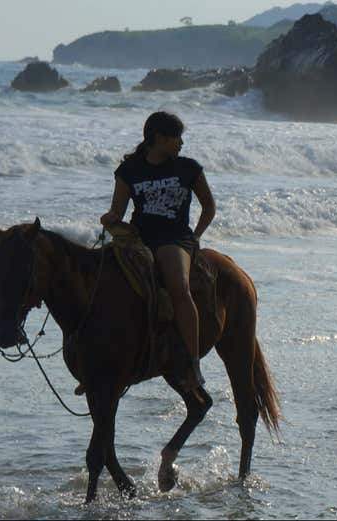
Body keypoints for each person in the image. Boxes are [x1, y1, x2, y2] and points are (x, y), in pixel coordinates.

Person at [101, 111, 215, 387]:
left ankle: (191, 363)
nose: (181, 143)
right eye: (177, 138)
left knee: (179, 287)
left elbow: (209, 207)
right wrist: (110, 219)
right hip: (139, 237)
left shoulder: (188, 168)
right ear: (159, 139)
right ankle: (102, 358)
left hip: (175, 238)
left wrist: (196, 236)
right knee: (102, 284)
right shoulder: (129, 170)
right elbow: (117, 211)